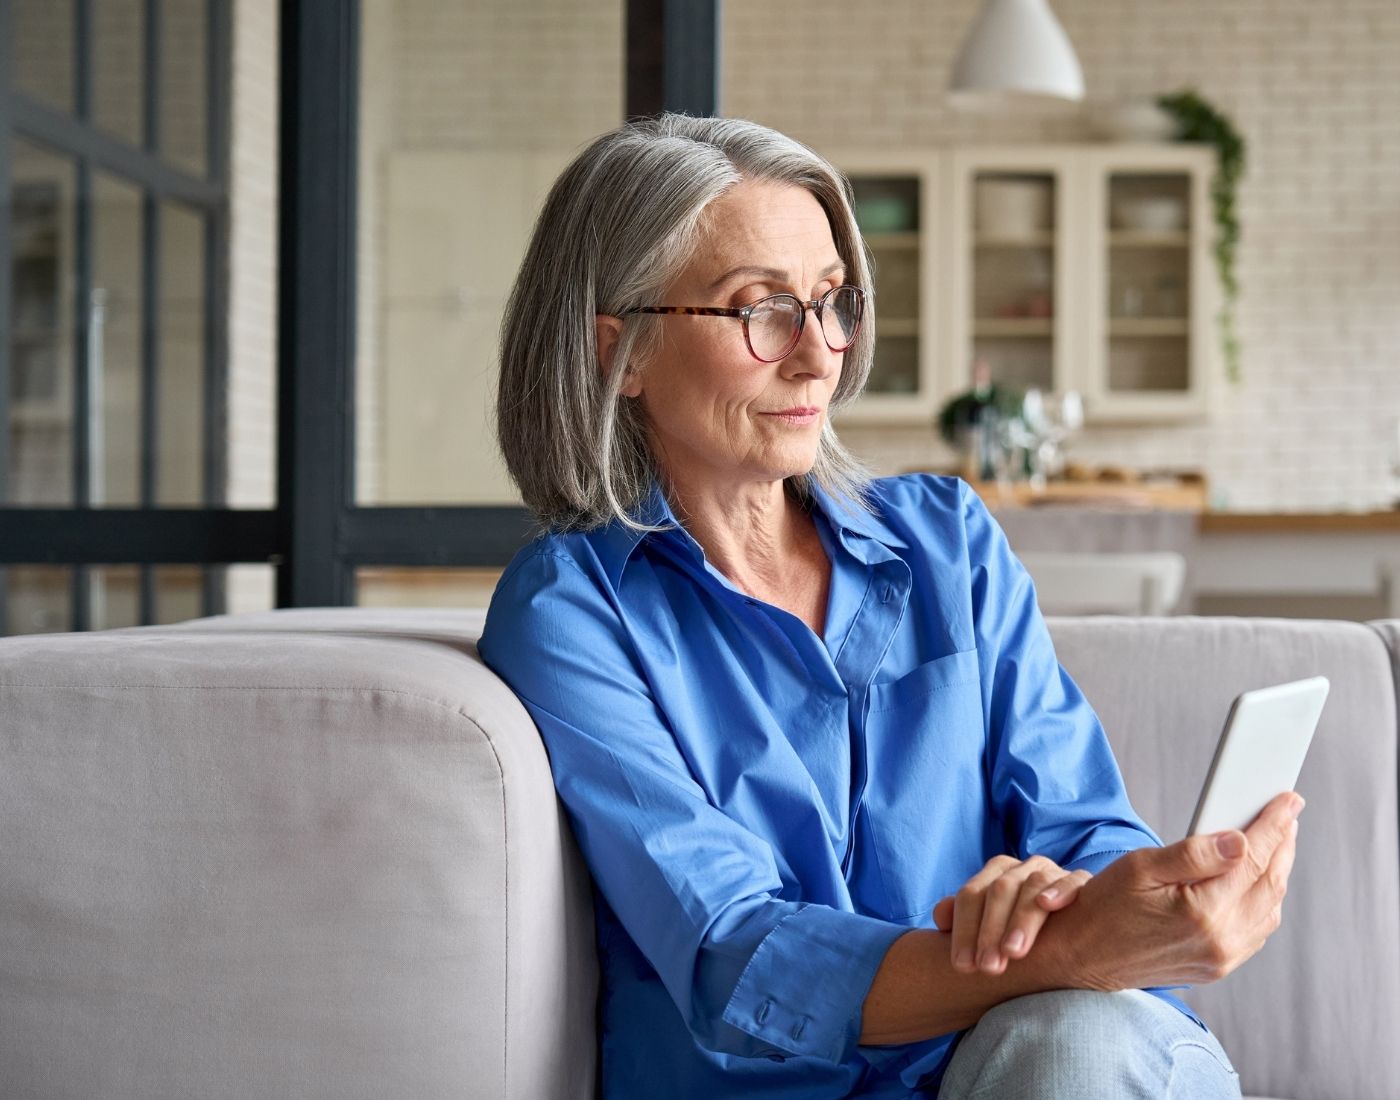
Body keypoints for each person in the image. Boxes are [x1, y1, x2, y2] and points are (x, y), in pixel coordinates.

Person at [478, 113, 1299, 1099]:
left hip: (1039, 1058)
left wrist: (1071, 899)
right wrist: (1058, 946)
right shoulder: (574, 610)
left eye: (832, 302)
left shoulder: (944, 541)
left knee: (1076, 1046)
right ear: (624, 351)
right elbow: (733, 950)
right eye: (760, 308)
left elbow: (1082, 824)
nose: (819, 353)